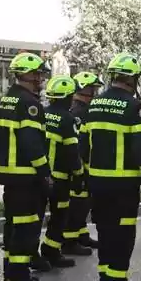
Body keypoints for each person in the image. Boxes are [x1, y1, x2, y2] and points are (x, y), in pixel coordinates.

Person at [85, 53, 141, 281]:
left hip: (97, 182)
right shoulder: (135, 107)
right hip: (123, 185)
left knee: (104, 232)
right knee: (123, 235)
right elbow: (140, 148)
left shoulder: (94, 104)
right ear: (132, 79)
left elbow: (84, 145)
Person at [0, 52, 52, 281]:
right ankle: (19, 279)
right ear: (28, 74)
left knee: (12, 225)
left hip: (8, 176)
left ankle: (11, 274)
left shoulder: (4, 101)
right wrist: (45, 172)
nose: (41, 79)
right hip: (25, 176)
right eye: (38, 74)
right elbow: (31, 143)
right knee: (25, 227)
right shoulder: (29, 104)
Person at [38, 75, 82, 269]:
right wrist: (79, 174)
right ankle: (52, 251)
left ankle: (32, 255)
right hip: (60, 180)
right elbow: (73, 152)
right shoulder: (67, 119)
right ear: (67, 97)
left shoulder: (40, 114)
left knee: (35, 217)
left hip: (39, 177)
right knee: (59, 216)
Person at [62, 70, 100, 256]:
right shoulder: (81, 112)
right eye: (93, 89)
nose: (95, 93)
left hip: (80, 163)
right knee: (78, 203)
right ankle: (69, 242)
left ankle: (81, 234)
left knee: (82, 203)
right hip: (80, 165)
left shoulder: (79, 110)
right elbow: (81, 143)